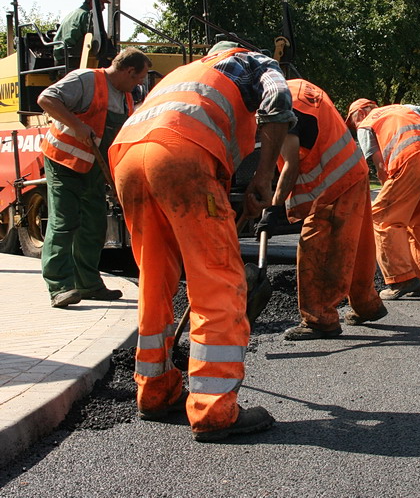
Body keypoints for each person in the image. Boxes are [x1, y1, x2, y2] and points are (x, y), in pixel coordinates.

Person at [109, 41, 295, 442]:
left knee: (155, 280)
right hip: (180, 153)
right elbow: (279, 99)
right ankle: (214, 409)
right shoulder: (251, 62)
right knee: (219, 281)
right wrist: (264, 176)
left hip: (127, 157)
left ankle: (154, 390)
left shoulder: (186, 75)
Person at [272, 79, 387, 340]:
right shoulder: (297, 88)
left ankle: (319, 319)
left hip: (332, 180)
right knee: (354, 245)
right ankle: (367, 304)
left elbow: (290, 164)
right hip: (352, 168)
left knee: (317, 248)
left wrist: (274, 207)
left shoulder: (280, 104)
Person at [37, 47, 151, 309]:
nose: (139, 84)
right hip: (64, 161)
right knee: (65, 223)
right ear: (128, 70)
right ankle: (59, 286)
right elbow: (46, 98)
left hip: (94, 169)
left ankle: (87, 284)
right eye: (138, 78)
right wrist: (77, 126)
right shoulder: (86, 79)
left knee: (94, 226)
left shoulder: (126, 96)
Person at [345, 99, 420, 300]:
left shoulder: (367, 124)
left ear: (358, 114)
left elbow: (382, 167)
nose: (355, 127)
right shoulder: (405, 108)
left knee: (381, 218)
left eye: (352, 122)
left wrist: (390, 190)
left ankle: (400, 278)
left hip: (412, 162)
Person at [53, 0, 110, 70]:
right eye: (101, 4)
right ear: (92, 3)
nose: (103, 7)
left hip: (61, 56)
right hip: (73, 57)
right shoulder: (86, 15)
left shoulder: (74, 13)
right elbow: (95, 36)